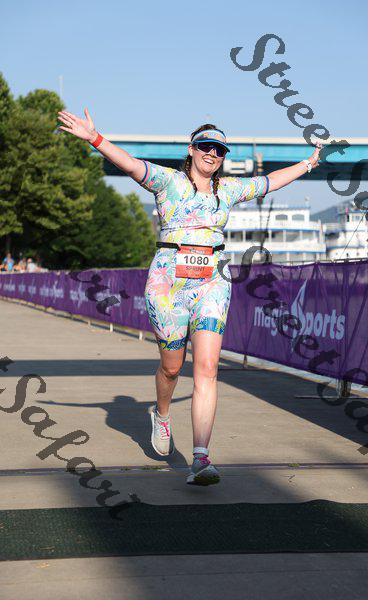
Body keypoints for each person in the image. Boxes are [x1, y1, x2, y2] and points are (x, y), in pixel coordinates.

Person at [57, 108, 322, 486]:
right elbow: (129, 164)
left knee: (208, 369)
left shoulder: (228, 190)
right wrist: (95, 139)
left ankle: (201, 458)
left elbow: (269, 182)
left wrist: (308, 163)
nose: (212, 154)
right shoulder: (168, 182)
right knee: (171, 367)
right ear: (192, 149)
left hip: (213, 282)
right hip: (168, 285)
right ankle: (161, 414)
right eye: (206, 147)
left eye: (219, 150)